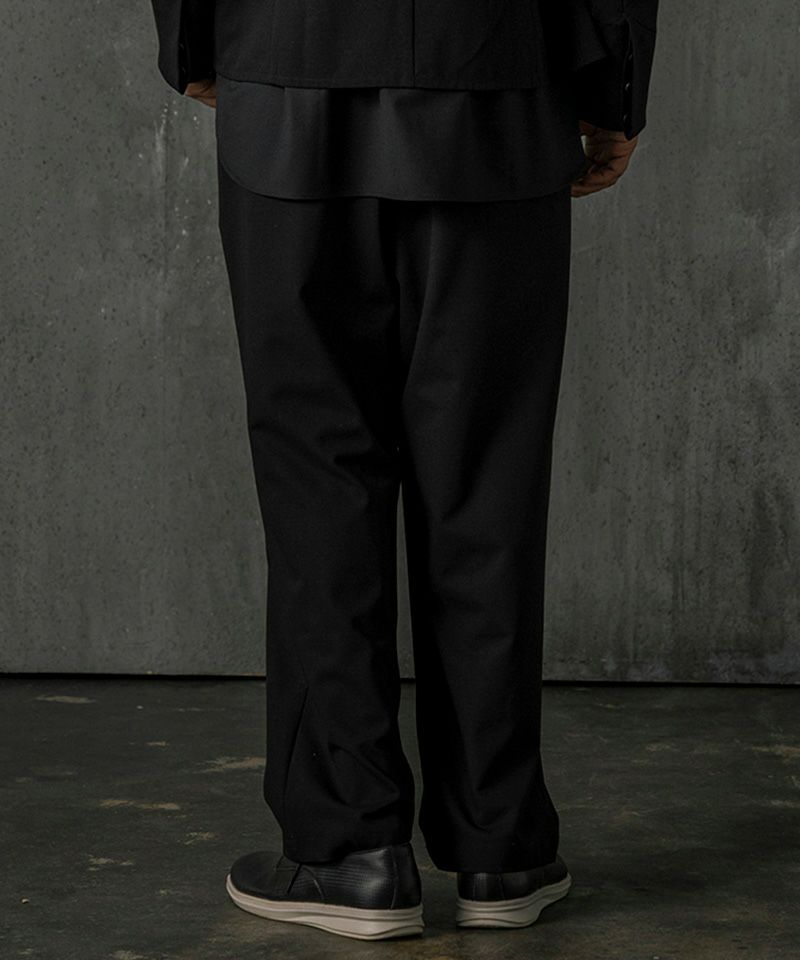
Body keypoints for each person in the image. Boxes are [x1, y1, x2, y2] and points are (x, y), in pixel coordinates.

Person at [149, 0, 659, 942]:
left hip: (289, 68)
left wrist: (196, 38)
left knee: (317, 478)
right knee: (488, 481)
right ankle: (501, 844)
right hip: (498, 82)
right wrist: (612, 86)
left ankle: (351, 851)